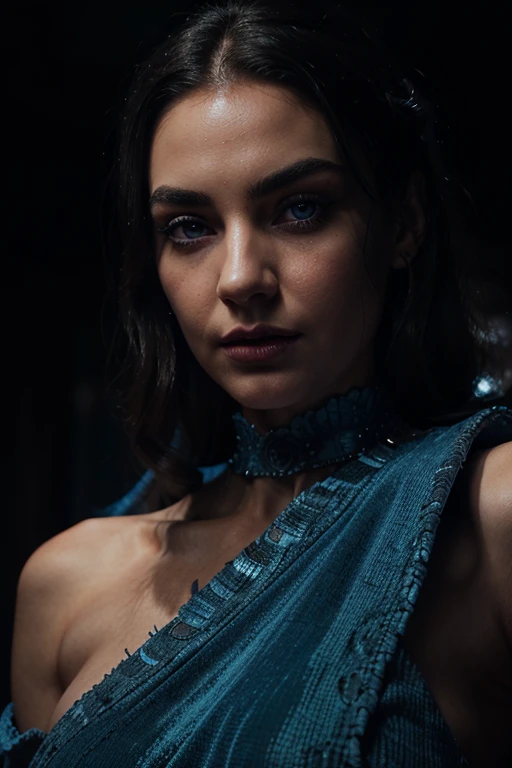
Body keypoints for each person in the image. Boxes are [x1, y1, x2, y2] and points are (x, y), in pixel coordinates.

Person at [2, 1, 511, 765]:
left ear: (401, 224)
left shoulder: (490, 516)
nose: (241, 278)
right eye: (190, 227)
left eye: (301, 209)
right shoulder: (66, 585)